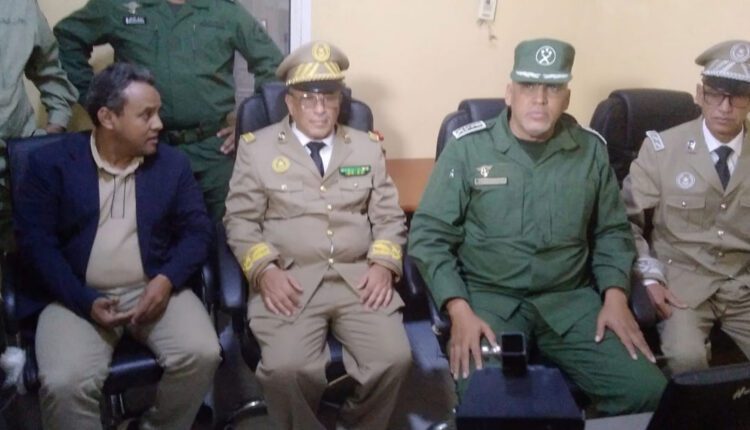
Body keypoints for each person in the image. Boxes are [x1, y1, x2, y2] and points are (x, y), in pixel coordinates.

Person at [408, 38, 666, 415]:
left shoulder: (590, 150)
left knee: (650, 392)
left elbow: (611, 231)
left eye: (553, 88)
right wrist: (458, 310)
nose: (540, 99)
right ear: (509, 93)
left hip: (570, 301)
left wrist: (615, 296)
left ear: (567, 97)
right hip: (489, 301)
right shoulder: (468, 149)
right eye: (528, 85)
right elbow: (429, 237)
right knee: (487, 405)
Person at [13, 63, 220, 429]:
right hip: (74, 294)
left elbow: (197, 231)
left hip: (152, 286)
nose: (159, 124)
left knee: (202, 353)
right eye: (146, 115)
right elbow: (36, 245)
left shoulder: (171, 165)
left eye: (158, 113)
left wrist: (167, 280)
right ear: (107, 118)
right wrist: (84, 299)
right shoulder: (52, 164)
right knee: (65, 382)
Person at [223, 41, 412, 429]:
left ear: (340, 101)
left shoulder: (366, 147)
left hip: (358, 277)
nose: (320, 109)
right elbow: (239, 221)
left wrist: (383, 264)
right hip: (290, 278)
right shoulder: (257, 150)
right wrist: (264, 271)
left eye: (329, 97)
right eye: (308, 99)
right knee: (287, 370)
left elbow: (389, 216)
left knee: (394, 359)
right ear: (289, 103)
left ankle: (356, 422)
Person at [54, 0, 284, 220]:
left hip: (212, 151)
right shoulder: (120, 5)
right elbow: (68, 37)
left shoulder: (224, 10)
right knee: (150, 231)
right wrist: (98, 100)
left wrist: (246, 123)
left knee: (224, 231)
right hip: (146, 150)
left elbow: (272, 65)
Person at [622, 40, 750, 374]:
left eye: (737, 96)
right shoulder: (662, 149)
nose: (725, 107)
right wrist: (648, 277)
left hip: (742, 284)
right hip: (680, 282)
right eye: (715, 94)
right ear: (699, 94)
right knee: (687, 360)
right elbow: (625, 223)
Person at [0, 0, 78, 249]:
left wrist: (56, 124)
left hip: (13, 165)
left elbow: (49, 70)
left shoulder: (20, 5)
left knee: (22, 252)